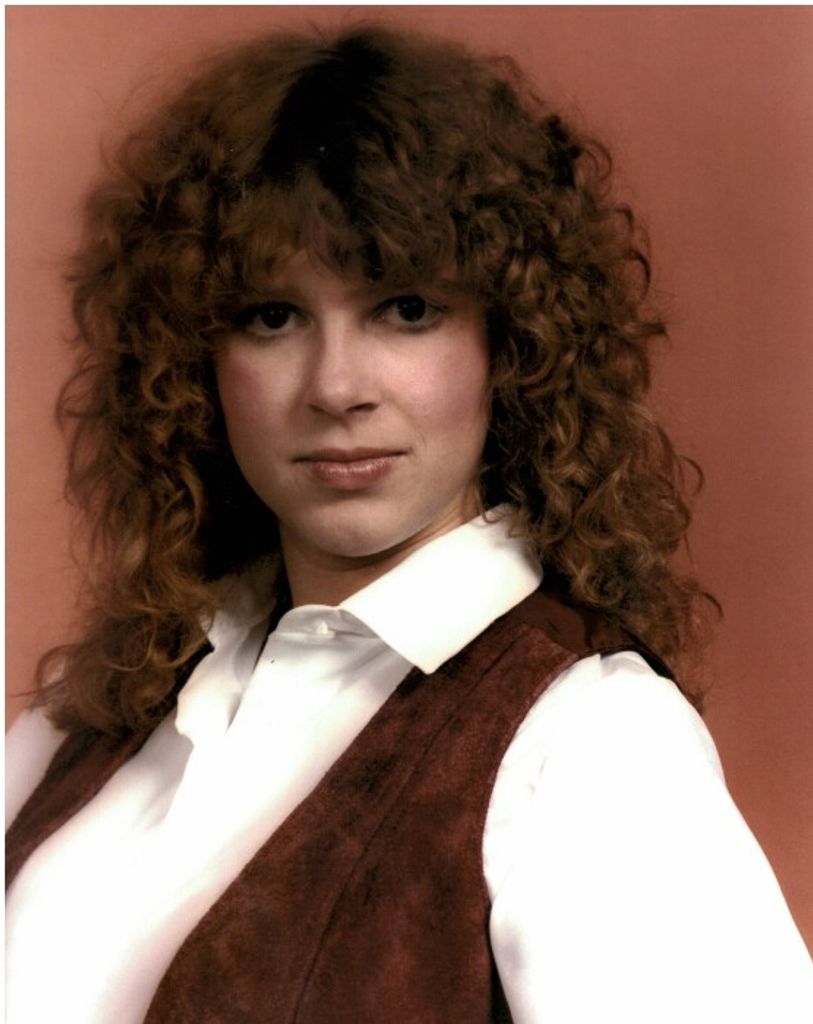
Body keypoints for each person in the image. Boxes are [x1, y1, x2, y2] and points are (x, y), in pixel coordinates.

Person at [5, 24, 813, 1024]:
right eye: (271, 316)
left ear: (510, 345)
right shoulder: (88, 716)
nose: (336, 386)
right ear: (196, 363)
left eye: (406, 308)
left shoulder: (592, 745)